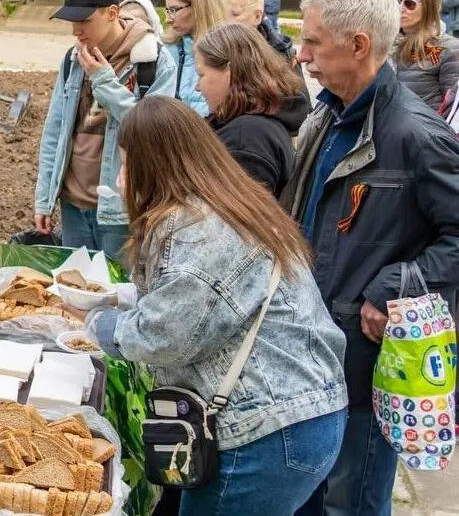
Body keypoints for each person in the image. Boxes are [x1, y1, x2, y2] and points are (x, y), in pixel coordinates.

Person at [87, 96, 347, 516]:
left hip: (266, 431)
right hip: (301, 416)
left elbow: (164, 336)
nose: (122, 177)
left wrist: (98, 324)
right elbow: (203, 301)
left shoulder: (195, 230)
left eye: (126, 164)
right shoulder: (227, 199)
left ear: (153, 166)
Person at [282, 0, 459, 516]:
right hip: (313, 345)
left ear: (358, 45)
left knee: (350, 499)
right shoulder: (331, 114)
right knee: (309, 494)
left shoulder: (415, 134)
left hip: (361, 358)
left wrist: (390, 288)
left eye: (313, 42)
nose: (303, 55)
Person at [35, 0, 177, 259]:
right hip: (72, 206)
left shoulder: (154, 62)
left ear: (112, 13)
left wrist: (104, 82)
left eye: (85, 21)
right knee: (75, 293)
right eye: (72, 22)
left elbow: (153, 131)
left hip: (121, 210)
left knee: (119, 295)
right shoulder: (72, 60)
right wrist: (44, 197)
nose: (76, 31)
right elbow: (55, 131)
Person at [194, 23, 309, 196]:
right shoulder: (259, 125)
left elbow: (231, 219)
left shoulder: (246, 139)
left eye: (201, 75)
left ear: (229, 71)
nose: (197, 86)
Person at [391, 0, 459, 109]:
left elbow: (453, 111)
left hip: (425, 128)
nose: (401, 8)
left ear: (429, 6)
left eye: (410, 3)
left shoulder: (448, 49)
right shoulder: (384, 43)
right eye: (397, 1)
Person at [163, 0, 225, 117]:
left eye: (174, 10)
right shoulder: (166, 50)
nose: (168, 20)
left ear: (199, 7)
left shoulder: (229, 52)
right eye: (167, 10)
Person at [220, 0, 298, 68]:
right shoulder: (214, 49)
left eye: (235, 14)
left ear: (257, 17)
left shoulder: (283, 56)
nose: (226, 21)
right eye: (222, 14)